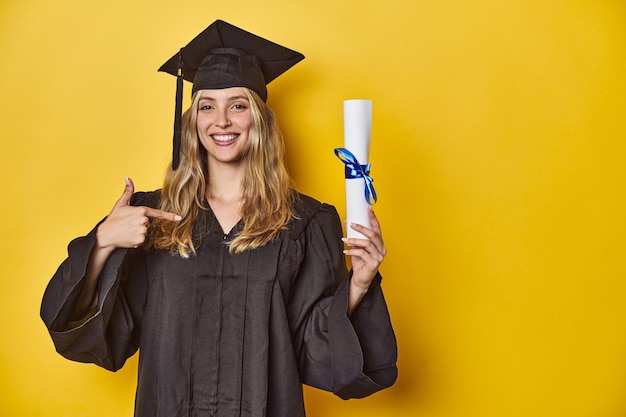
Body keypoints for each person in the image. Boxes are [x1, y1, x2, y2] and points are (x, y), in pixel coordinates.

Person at [41, 20, 397, 417]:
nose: (221, 120)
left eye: (238, 105)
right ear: (192, 121)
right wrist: (103, 243)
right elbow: (103, 334)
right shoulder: (151, 218)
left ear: (258, 119)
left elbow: (312, 347)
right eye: (207, 106)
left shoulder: (306, 222)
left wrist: (360, 283)